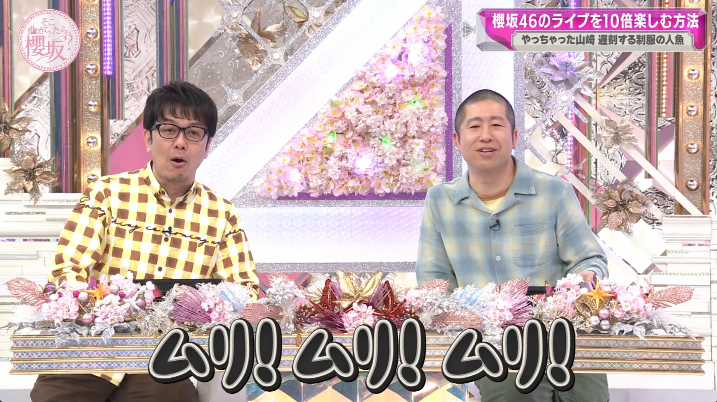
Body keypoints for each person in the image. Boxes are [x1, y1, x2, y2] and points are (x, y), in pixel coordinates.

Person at [30, 81, 260, 402]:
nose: (180, 142)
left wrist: (203, 308)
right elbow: (67, 270)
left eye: (194, 133)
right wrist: (99, 310)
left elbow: (245, 292)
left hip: (162, 357)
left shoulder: (222, 214)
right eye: (169, 130)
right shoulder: (106, 194)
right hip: (90, 348)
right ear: (149, 138)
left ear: (207, 146)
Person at [416, 89, 610, 402]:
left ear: (515, 136)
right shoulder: (440, 201)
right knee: (510, 391)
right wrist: (463, 323)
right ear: (457, 140)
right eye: (475, 126)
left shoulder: (554, 192)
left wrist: (587, 279)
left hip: (566, 334)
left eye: (496, 125)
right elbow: (433, 282)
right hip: (492, 343)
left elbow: (588, 260)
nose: (486, 135)